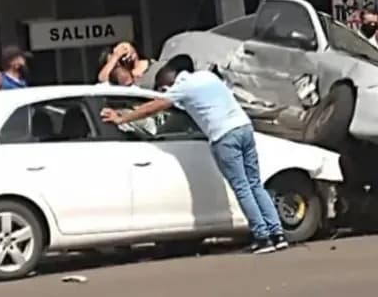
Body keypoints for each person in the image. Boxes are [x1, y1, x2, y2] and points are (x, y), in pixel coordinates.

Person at [99, 54, 288, 254]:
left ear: (172, 76)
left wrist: (122, 118)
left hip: (224, 136)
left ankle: (262, 237)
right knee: (255, 184)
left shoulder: (182, 87)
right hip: (244, 128)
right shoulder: (208, 77)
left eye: (164, 83)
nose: (165, 88)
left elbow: (152, 107)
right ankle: (278, 234)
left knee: (242, 187)